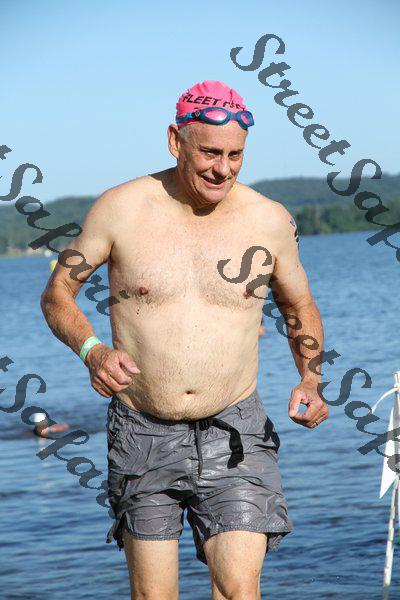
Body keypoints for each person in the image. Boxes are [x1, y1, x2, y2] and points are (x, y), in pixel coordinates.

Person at [40, 80, 328, 600]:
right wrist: (92, 351)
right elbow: (58, 293)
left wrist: (310, 378)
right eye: (210, 153)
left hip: (235, 429)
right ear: (176, 141)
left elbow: (298, 307)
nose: (223, 169)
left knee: (239, 589)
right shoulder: (120, 209)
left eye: (235, 156)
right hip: (142, 430)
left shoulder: (268, 219)